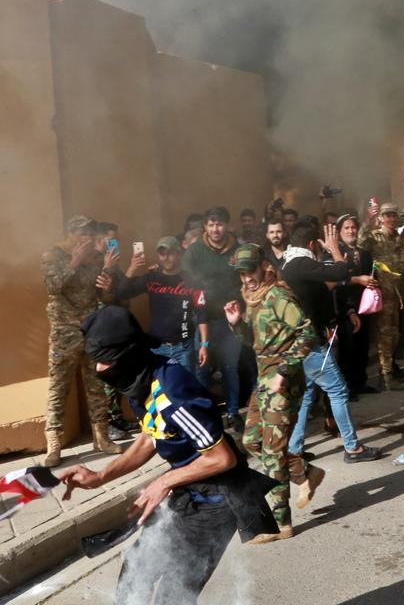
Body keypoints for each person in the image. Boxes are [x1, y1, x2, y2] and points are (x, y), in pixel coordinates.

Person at [60, 306, 278, 604]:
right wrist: (100, 477)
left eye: (105, 361)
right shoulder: (144, 382)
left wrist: (163, 482)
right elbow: (152, 436)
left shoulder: (174, 393)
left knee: (173, 597)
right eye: (96, 361)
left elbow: (222, 458)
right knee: (134, 577)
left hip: (216, 504)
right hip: (189, 495)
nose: (99, 370)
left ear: (128, 355)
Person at [224, 243, 318, 542]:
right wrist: (236, 325)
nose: (246, 278)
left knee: (272, 454)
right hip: (264, 382)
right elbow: (255, 341)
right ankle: (304, 471)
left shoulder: (278, 295)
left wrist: (284, 371)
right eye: (241, 273)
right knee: (252, 441)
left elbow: (307, 333)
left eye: (250, 270)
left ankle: (281, 523)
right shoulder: (252, 298)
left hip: (282, 382)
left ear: (263, 266)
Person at [278, 220, 382, 466]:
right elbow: (338, 271)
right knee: (337, 390)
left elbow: (324, 286)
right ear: (313, 244)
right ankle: (353, 447)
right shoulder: (301, 263)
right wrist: (335, 249)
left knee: (307, 394)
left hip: (300, 341)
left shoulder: (290, 264)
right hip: (309, 342)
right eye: (319, 246)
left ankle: (294, 449)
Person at [41, 216, 124, 466]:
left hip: (91, 329)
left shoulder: (97, 258)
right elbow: (53, 287)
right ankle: (53, 443)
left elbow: (105, 297)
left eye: (90, 232)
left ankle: (102, 437)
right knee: (59, 387)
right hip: (64, 332)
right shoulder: (52, 255)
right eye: (83, 233)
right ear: (71, 234)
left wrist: (108, 280)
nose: (88, 237)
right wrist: (75, 261)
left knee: (96, 384)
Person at [182, 206, 248, 431]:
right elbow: (186, 282)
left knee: (230, 367)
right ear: (205, 226)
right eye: (210, 224)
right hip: (203, 321)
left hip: (230, 320)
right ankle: (206, 415)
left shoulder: (238, 250)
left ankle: (232, 412)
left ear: (228, 225)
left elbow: (246, 280)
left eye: (219, 224)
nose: (215, 229)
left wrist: (243, 308)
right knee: (202, 370)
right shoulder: (195, 251)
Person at [117, 235, 209, 376]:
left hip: (184, 347)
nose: (166, 257)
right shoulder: (152, 278)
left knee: (185, 392)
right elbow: (122, 293)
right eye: (162, 253)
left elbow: (202, 313)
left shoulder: (192, 281)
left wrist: (204, 345)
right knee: (160, 393)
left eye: (170, 253)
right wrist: (132, 267)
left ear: (178, 254)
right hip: (157, 348)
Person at [358, 201, 404, 391]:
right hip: (382, 293)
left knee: (395, 334)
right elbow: (361, 242)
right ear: (381, 218)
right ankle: (387, 377)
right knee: (384, 335)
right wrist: (368, 221)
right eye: (387, 215)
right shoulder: (375, 237)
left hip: (398, 295)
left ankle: (389, 372)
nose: (391, 219)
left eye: (393, 215)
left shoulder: (399, 240)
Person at [336, 214, 376, 395]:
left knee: (363, 345)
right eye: (346, 228)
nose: (351, 231)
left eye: (353, 227)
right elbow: (336, 281)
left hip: (365, 305)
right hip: (345, 306)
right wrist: (358, 280)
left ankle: (360, 382)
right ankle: (347, 386)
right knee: (348, 348)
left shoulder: (365, 253)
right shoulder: (336, 253)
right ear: (339, 232)